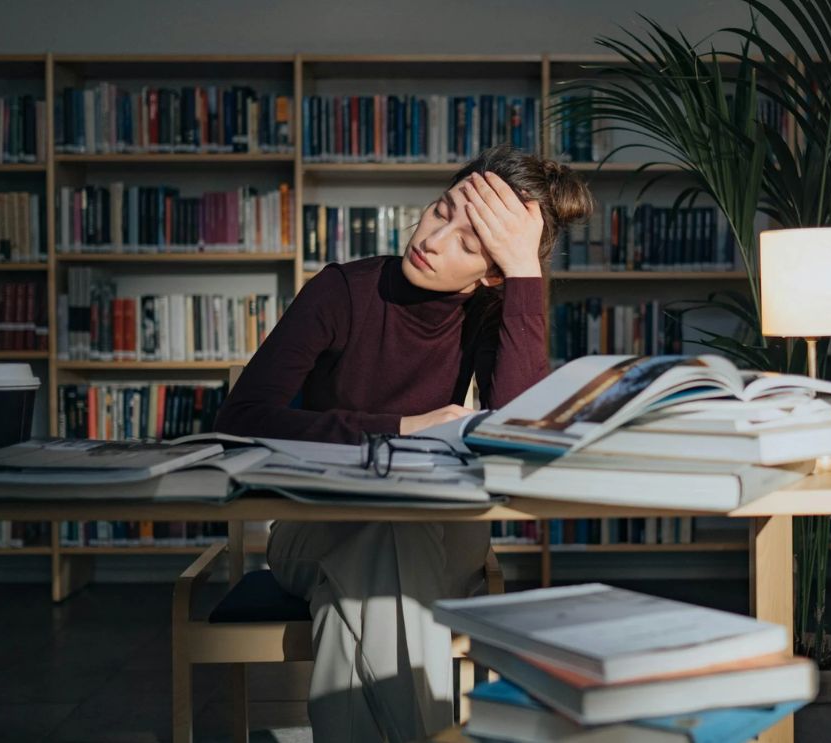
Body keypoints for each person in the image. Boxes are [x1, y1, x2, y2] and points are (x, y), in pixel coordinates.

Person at [213, 144, 594, 742]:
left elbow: (518, 437)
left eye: (471, 245)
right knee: (380, 554)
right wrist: (401, 430)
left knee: (380, 558)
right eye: (442, 211)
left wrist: (524, 274)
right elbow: (241, 420)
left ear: (491, 273)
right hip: (316, 525)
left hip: (440, 528)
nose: (435, 240)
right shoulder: (342, 290)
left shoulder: (494, 309)